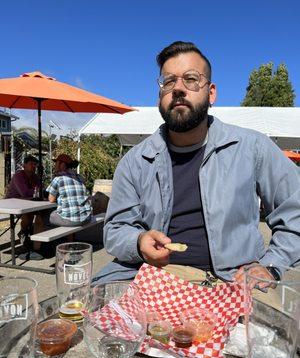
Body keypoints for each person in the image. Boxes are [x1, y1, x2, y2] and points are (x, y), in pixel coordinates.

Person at [93, 41, 300, 288]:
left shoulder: (252, 147)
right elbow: (115, 229)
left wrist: (270, 265)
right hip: (152, 274)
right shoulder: (135, 161)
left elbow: (294, 212)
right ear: (160, 94)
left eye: (191, 79)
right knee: (85, 312)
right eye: (169, 81)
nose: (178, 88)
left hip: (234, 279)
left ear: (211, 93)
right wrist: (138, 241)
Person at [6, 155, 44, 260]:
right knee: (27, 215)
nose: (33, 166)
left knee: (37, 215)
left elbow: (41, 190)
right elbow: (25, 192)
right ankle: (24, 235)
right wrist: (37, 191)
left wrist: (40, 179)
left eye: (35, 164)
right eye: (31, 164)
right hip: (12, 204)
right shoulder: (19, 176)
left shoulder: (35, 177)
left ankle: (29, 238)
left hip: (28, 203)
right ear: (24, 165)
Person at [47, 154, 92, 227]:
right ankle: (70, 239)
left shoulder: (58, 179)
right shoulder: (80, 178)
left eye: (56, 163)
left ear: (62, 165)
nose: (55, 165)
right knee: (69, 211)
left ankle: (36, 237)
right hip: (86, 217)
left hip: (71, 220)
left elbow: (51, 199)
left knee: (48, 216)